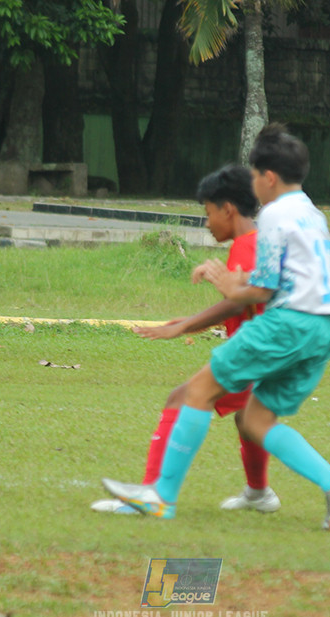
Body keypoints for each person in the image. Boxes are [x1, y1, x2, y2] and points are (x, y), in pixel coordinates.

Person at [102, 123, 330, 531]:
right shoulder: (311, 212)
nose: (253, 185)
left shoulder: (275, 213)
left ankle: (160, 497)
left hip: (289, 324)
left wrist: (226, 284)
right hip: (326, 328)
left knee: (197, 391)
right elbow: (289, 278)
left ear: (269, 177)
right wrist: (229, 281)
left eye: (255, 176)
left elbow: (262, 291)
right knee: (257, 420)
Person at [91, 165, 279, 515]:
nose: (206, 223)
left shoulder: (245, 246)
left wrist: (184, 326)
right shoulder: (257, 242)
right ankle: (259, 494)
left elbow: (236, 302)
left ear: (228, 209)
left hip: (257, 353)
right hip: (266, 353)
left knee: (182, 397)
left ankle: (152, 495)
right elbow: (247, 302)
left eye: (207, 213)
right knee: (247, 419)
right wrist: (193, 321)